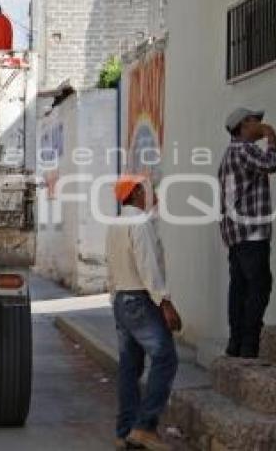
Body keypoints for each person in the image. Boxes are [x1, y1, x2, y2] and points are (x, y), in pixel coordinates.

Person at [106, 174, 181, 451]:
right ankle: (145, 427)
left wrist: (115, 302)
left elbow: (111, 267)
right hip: (139, 299)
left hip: (122, 300)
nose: (154, 194)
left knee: (130, 366)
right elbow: (147, 265)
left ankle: (124, 431)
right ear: (137, 192)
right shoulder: (139, 222)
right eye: (150, 189)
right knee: (166, 358)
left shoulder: (117, 223)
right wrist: (165, 302)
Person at [218, 108, 276, 358]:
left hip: (235, 234)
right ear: (244, 125)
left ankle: (236, 343)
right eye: (256, 121)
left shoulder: (229, 153)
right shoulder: (244, 150)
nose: (261, 125)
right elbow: (271, 164)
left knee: (239, 288)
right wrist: (272, 137)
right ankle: (249, 343)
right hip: (252, 231)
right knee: (259, 286)